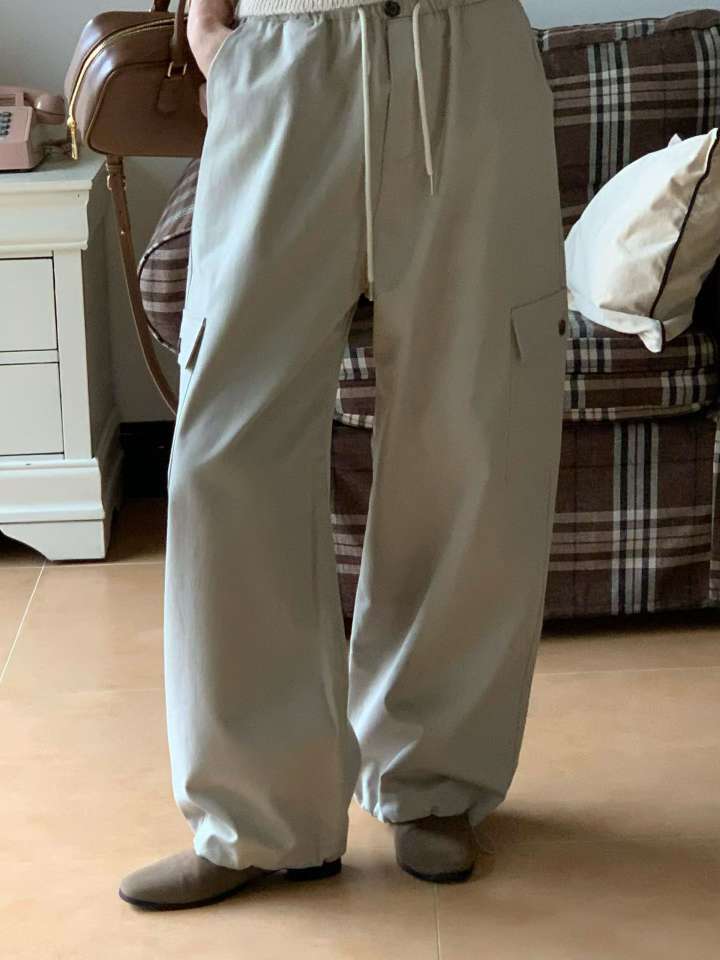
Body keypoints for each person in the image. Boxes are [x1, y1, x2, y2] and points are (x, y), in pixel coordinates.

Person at [119, 0, 567, 910]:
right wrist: (209, 30)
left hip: (465, 54)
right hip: (284, 53)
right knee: (224, 447)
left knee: (470, 432)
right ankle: (256, 815)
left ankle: (433, 780)